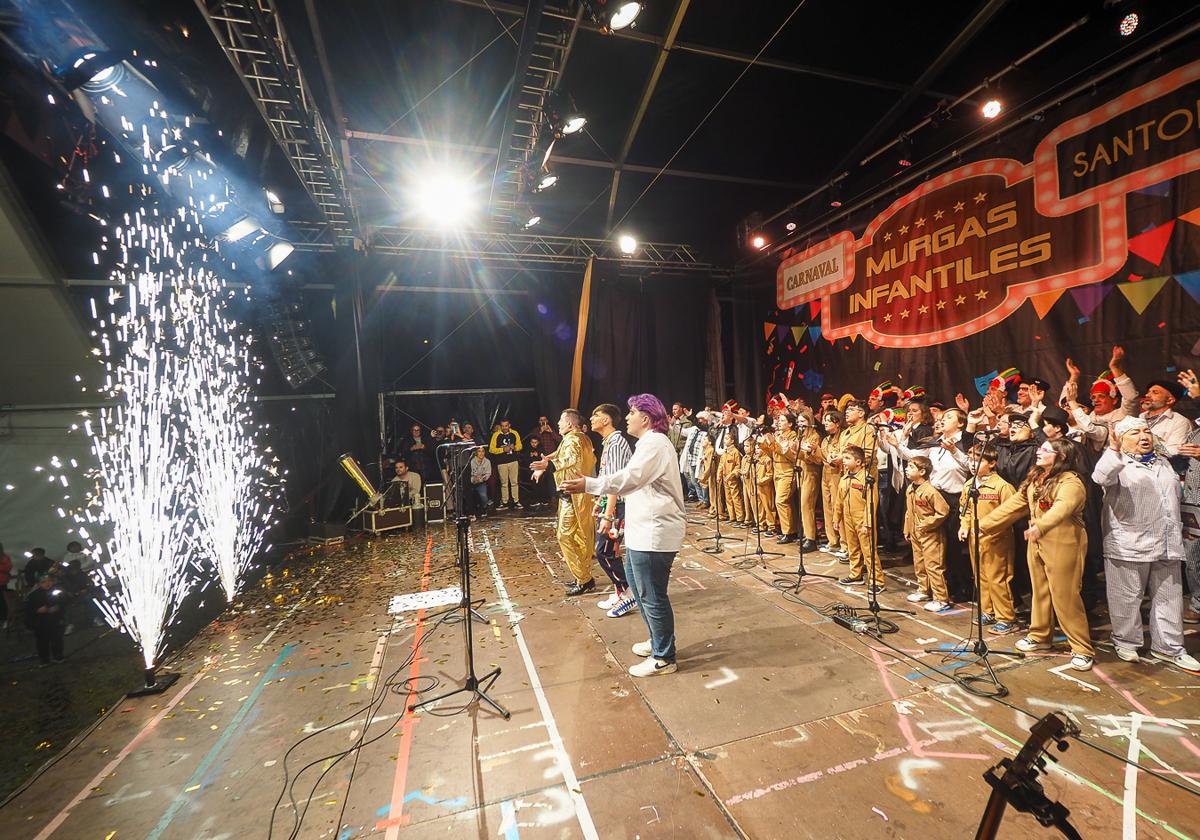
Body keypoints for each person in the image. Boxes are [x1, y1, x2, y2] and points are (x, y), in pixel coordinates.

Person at [561, 394, 686, 678]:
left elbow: (628, 478)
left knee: (652, 595)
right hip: (644, 530)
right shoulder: (647, 444)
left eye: (631, 412)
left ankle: (664, 656)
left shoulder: (654, 444)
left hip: (656, 533)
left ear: (646, 418)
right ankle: (657, 640)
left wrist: (589, 484)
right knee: (639, 588)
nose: (627, 417)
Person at [1092, 417, 1199, 671]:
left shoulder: (1163, 462)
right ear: (1120, 440)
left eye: (1146, 431)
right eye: (1134, 433)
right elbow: (1100, 477)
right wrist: (1114, 450)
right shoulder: (1117, 463)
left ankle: (1170, 648)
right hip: (1129, 542)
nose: (1143, 436)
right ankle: (1126, 641)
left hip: (1167, 541)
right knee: (1126, 596)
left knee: (1169, 598)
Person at [980, 439, 1095, 671]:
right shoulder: (1035, 479)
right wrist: (982, 525)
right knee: (1040, 591)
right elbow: (1015, 505)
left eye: (1045, 450)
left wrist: (1040, 526)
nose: (1039, 452)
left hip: (1063, 541)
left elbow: (1062, 508)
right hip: (1037, 541)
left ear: (1061, 456)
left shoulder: (1070, 481)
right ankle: (1040, 636)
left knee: (1065, 596)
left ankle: (1082, 648)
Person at [532, 409, 596, 596]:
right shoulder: (579, 438)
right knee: (577, 536)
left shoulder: (574, 439)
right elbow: (560, 454)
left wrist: (547, 465)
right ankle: (582, 576)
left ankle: (584, 578)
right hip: (574, 495)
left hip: (574, 496)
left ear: (569, 423)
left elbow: (569, 459)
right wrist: (547, 461)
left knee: (565, 536)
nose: (558, 424)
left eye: (561, 420)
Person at [958, 445, 1018, 635]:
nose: (973, 465)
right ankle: (988, 610)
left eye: (978, 461)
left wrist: (992, 529)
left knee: (998, 578)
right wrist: (964, 526)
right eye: (970, 460)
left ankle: (1006, 617)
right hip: (976, 539)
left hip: (997, 539)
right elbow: (965, 509)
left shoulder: (1002, 486)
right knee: (981, 576)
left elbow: (1011, 513)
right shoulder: (969, 485)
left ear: (992, 463)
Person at [590, 404, 636, 618]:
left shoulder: (617, 443)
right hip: (611, 505)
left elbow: (616, 483)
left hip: (619, 506)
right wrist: (599, 503)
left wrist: (608, 515)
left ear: (607, 420)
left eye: (596, 415)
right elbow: (606, 480)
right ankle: (620, 590)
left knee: (605, 550)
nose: (591, 419)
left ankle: (628, 593)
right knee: (606, 549)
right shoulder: (609, 443)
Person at [903, 455, 951, 613]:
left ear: (922, 471)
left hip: (931, 534)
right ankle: (924, 590)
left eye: (911, 467)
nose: (907, 469)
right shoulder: (910, 489)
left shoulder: (930, 491)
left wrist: (926, 524)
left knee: (933, 566)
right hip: (916, 532)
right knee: (919, 563)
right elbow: (909, 512)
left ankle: (941, 598)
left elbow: (943, 512)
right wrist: (907, 529)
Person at [837, 445, 884, 592]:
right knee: (853, 548)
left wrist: (868, 523)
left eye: (847, 458)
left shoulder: (867, 480)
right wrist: (836, 518)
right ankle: (855, 574)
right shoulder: (844, 478)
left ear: (858, 462)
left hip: (862, 520)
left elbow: (872, 503)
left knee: (868, 551)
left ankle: (877, 581)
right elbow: (839, 500)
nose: (843, 461)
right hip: (848, 518)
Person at [762, 411, 799, 543]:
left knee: (781, 500)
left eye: (782, 420)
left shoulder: (792, 436)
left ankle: (788, 532)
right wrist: (765, 444)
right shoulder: (778, 435)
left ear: (790, 424)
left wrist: (775, 444)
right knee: (786, 502)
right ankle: (792, 530)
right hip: (778, 471)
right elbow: (772, 454)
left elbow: (790, 456)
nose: (779, 422)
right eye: (778, 420)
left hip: (787, 471)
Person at [819, 411, 847, 558]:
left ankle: (844, 543)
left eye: (829, 421)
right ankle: (832, 540)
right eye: (825, 420)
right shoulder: (825, 440)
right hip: (825, 473)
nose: (825, 423)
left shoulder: (842, 436)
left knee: (837, 507)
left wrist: (834, 458)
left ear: (837, 423)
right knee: (827, 508)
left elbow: (843, 454)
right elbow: (821, 457)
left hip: (837, 473)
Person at [24, 572, 67, 665]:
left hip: (55, 620)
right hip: (41, 622)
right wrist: (37, 610)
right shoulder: (33, 596)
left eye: (49, 581)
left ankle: (58, 655)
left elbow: (63, 602)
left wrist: (58, 607)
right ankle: (44, 659)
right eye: (44, 582)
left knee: (57, 639)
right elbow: (27, 610)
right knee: (42, 641)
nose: (47, 583)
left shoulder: (56, 592)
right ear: (39, 584)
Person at [488, 419, 524, 510]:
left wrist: (514, 447)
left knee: (514, 482)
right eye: (503, 426)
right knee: (504, 483)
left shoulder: (514, 433)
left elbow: (520, 446)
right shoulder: (496, 435)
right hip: (502, 462)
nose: (504, 427)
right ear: (501, 426)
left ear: (509, 425)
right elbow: (491, 449)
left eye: (506, 425)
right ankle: (505, 502)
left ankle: (516, 501)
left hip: (513, 461)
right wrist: (502, 450)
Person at [522, 436, 551, 508]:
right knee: (534, 484)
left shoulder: (541, 449)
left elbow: (544, 458)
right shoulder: (527, 450)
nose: (534, 444)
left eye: (535, 442)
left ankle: (544, 499)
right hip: (531, 469)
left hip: (541, 469)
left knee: (542, 484)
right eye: (532, 442)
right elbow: (525, 460)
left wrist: (537, 455)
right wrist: (530, 456)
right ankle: (536, 499)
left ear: (538, 442)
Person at [468, 445, 492, 519]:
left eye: (483, 451)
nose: (481, 453)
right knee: (469, 496)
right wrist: (475, 479)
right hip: (472, 483)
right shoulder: (471, 462)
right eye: (479, 451)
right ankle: (472, 513)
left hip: (481, 482)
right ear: (476, 453)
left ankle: (484, 509)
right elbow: (470, 475)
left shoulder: (487, 461)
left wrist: (481, 478)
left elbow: (488, 473)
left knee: (484, 497)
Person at [0, 542, 11, 628]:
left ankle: (5, 619)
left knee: (3, 601)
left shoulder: (4, 557)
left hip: (1, 582)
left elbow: (7, 568)